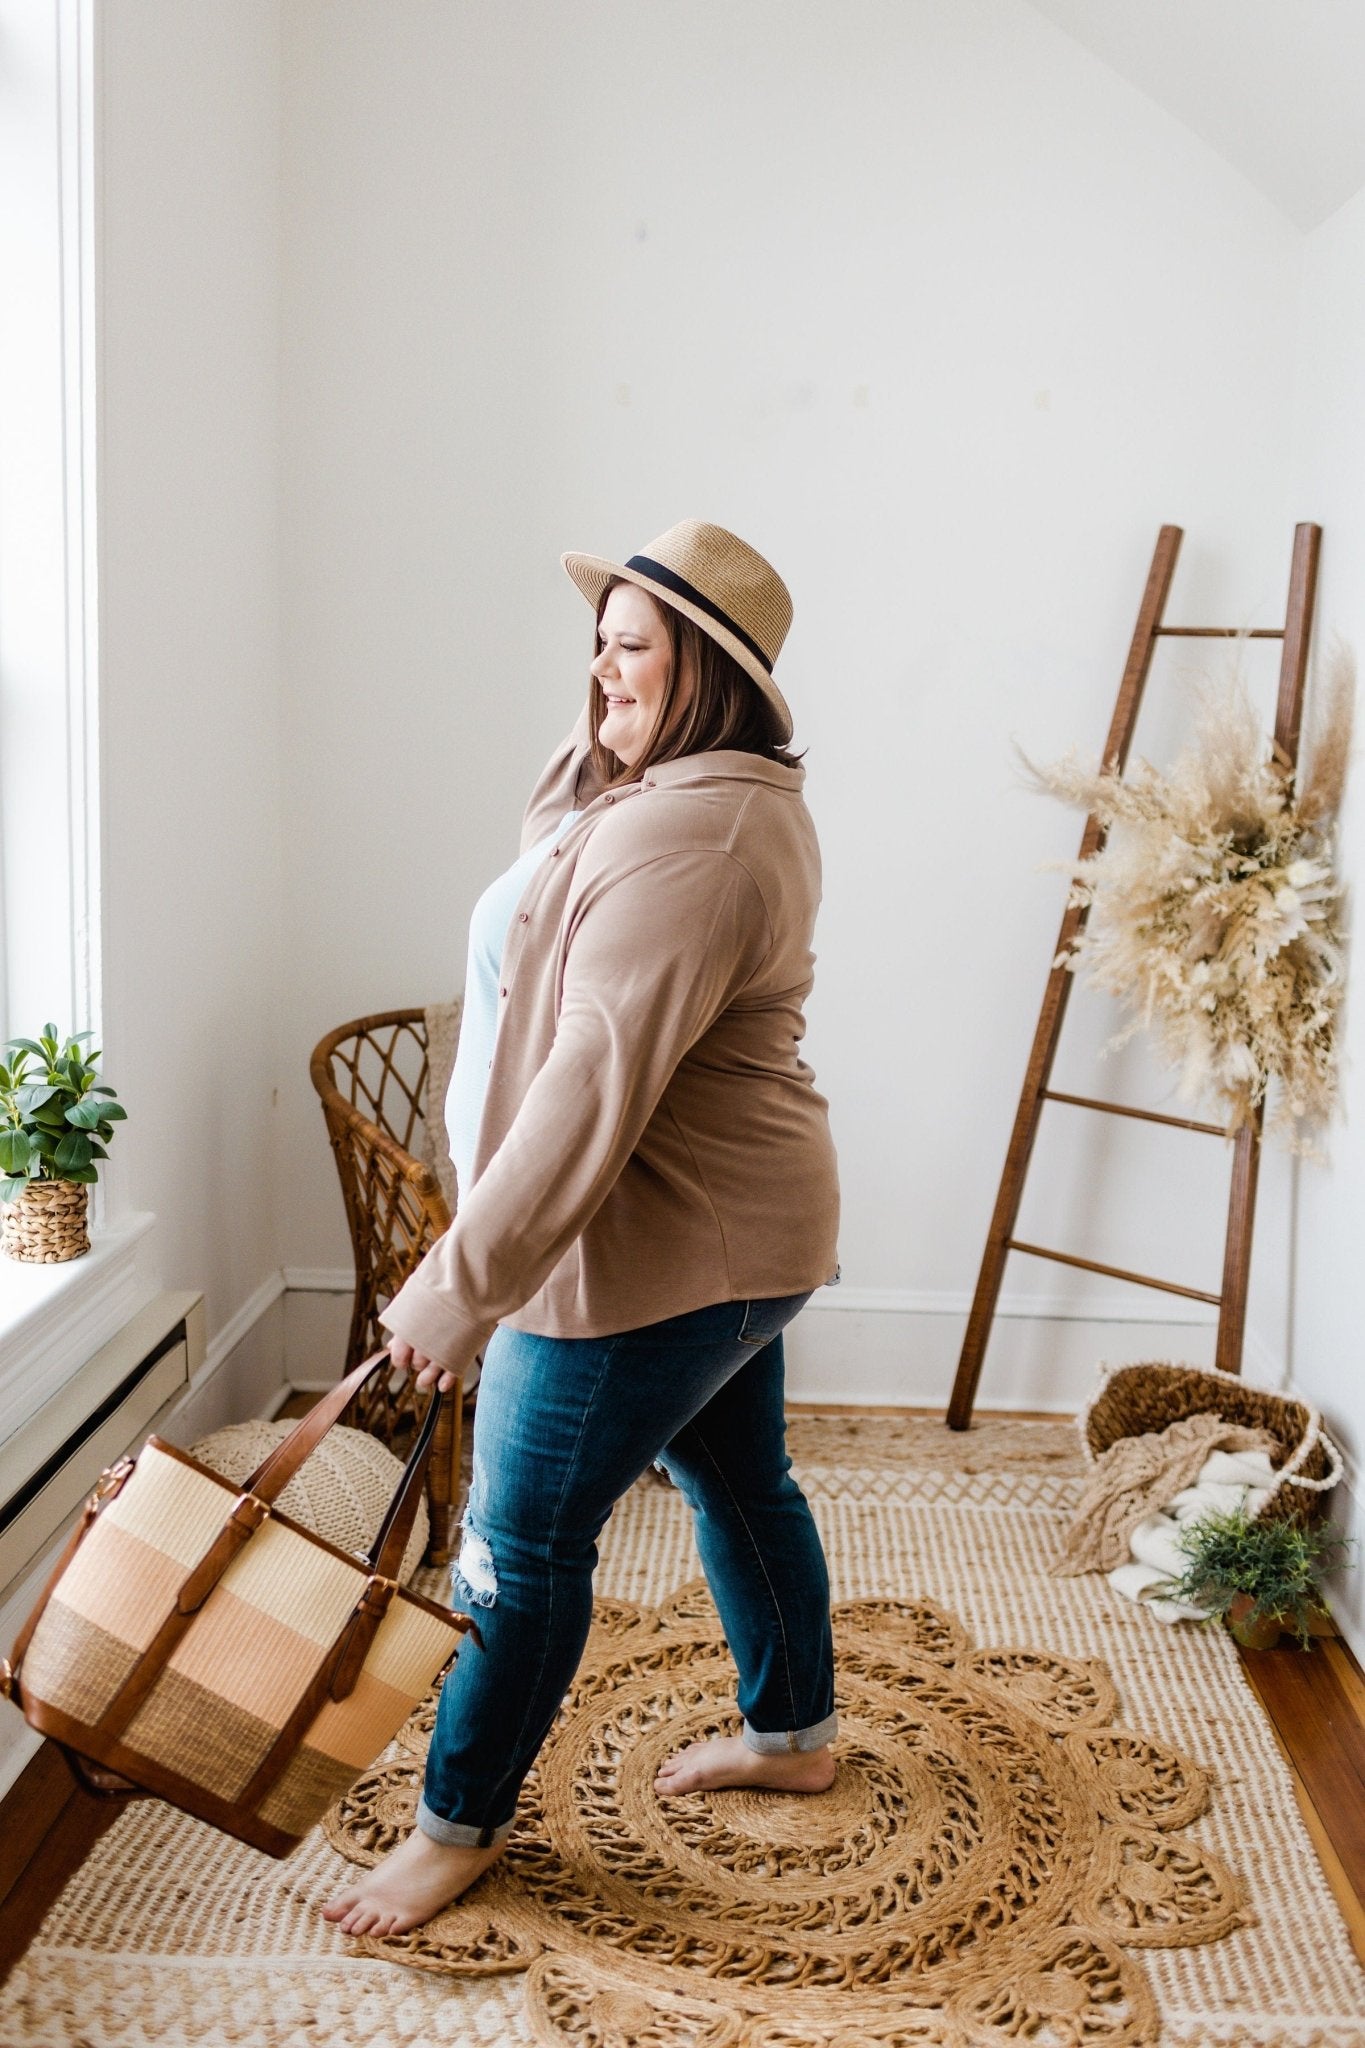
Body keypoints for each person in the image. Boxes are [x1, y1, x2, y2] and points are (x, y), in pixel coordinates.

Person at [323, 519, 841, 1938]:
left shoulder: (693, 836)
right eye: (594, 641)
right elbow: (560, 839)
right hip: (728, 1239)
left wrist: (456, 1286)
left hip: (656, 1253)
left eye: (633, 646)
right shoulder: (663, 795)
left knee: (514, 1541)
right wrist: (617, 712)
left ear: (712, 678)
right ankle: (793, 1738)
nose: (599, 668)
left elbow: (588, 1084)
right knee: (743, 1485)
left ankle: (456, 1823)